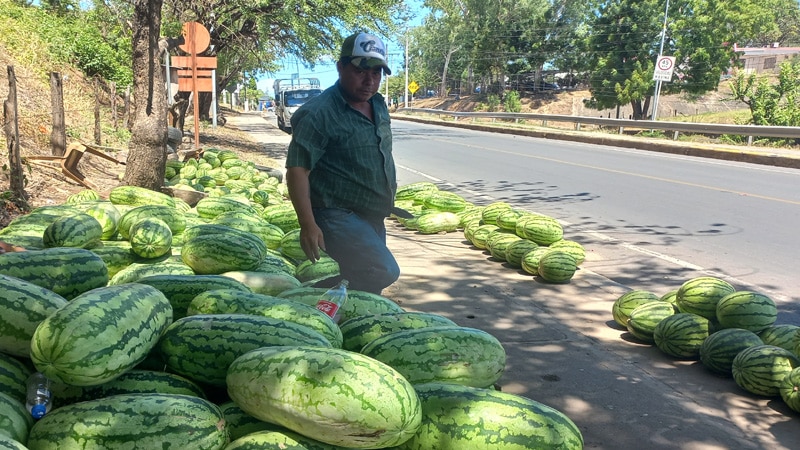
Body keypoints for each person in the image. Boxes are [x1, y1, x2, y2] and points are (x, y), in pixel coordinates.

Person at [285, 32, 401, 295]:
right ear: (341, 67)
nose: (369, 80)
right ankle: (308, 297)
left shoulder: (378, 104)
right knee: (384, 269)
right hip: (334, 213)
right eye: (361, 71)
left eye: (376, 72)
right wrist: (308, 224)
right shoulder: (318, 113)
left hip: (371, 212)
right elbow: (297, 169)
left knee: (368, 282)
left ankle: (344, 322)